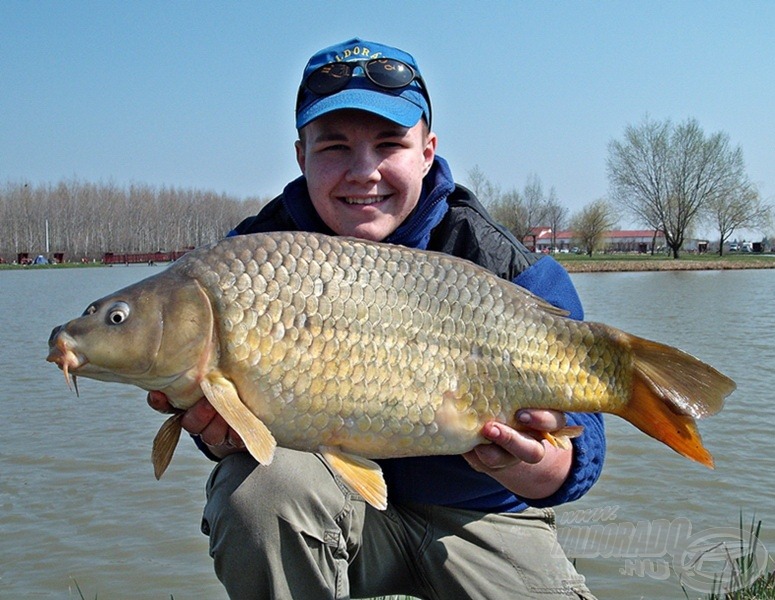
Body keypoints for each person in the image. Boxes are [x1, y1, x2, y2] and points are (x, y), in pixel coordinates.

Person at [149, 38, 605, 600]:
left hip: (483, 518)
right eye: (334, 147)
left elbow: (579, 458)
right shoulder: (247, 261)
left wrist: (526, 464)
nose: (363, 172)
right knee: (258, 495)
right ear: (301, 155)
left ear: (428, 152)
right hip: (327, 507)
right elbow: (230, 429)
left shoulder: (503, 264)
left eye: (390, 144)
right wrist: (221, 438)